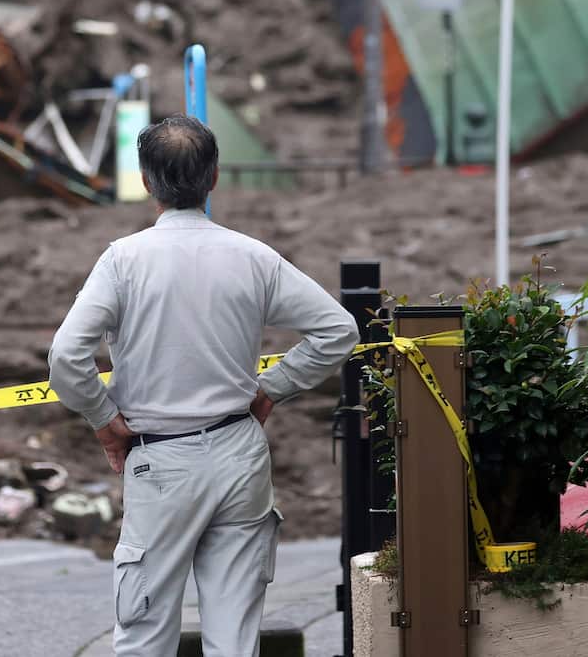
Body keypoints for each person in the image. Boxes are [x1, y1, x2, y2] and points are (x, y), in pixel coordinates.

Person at [48, 114, 359, 656]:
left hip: (160, 460)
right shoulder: (253, 257)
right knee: (235, 638)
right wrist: (273, 388)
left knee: (145, 631)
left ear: (147, 182)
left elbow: (66, 356)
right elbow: (339, 330)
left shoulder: (123, 261)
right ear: (214, 177)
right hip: (240, 453)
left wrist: (104, 422)